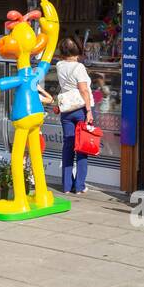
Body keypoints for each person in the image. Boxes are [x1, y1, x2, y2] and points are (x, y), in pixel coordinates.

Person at [55, 37, 94, 195]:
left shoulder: (59, 65)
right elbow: (84, 90)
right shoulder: (79, 67)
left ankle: (66, 185)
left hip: (66, 110)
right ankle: (79, 186)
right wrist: (89, 111)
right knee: (82, 147)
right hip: (80, 110)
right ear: (77, 50)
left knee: (68, 146)